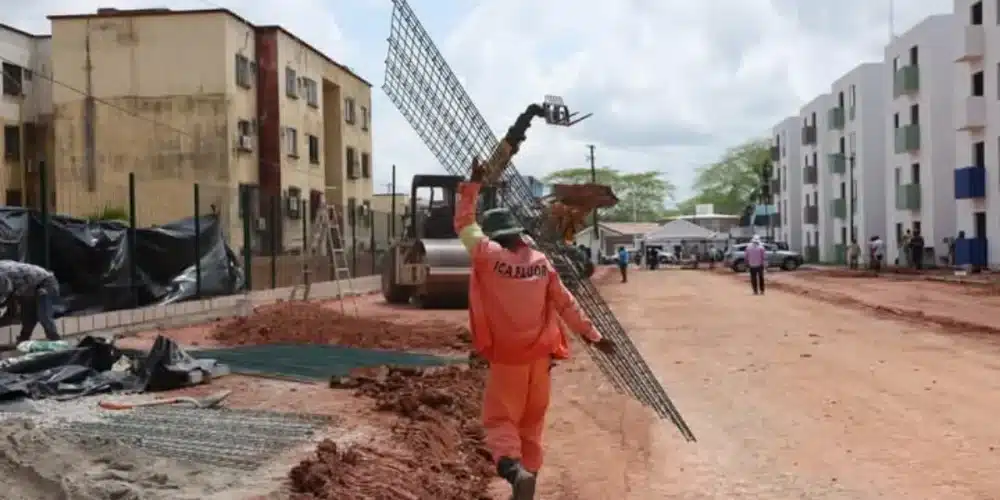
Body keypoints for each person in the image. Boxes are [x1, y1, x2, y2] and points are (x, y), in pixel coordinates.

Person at [454, 157, 613, 500]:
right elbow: (566, 303)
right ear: (517, 232)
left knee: (500, 422)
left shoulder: (486, 254)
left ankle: (514, 472)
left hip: (507, 359)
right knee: (531, 426)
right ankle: (528, 486)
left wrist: (472, 186)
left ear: (494, 233)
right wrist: (594, 336)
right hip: (541, 361)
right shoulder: (541, 263)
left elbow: (463, 222)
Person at [0, 260, 62, 343]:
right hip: (24, 284)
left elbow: (12, 312)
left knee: (43, 314)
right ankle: (23, 340)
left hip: (45, 282)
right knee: (27, 315)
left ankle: (56, 340)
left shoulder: (10, 279)